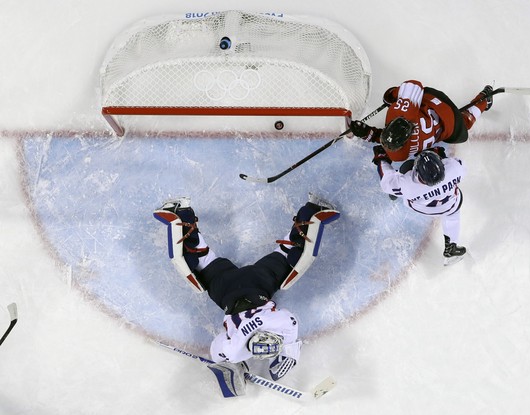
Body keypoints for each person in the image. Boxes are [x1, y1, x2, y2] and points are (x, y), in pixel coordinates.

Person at [153, 194, 340, 397]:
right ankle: (312, 210)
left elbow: (217, 350)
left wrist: (230, 368)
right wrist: (288, 354)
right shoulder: (278, 328)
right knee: (291, 255)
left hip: (225, 290)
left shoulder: (237, 349)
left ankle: (181, 213)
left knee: (196, 259)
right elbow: (283, 322)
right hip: (259, 283)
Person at [349, 79, 493, 162]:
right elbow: (413, 85)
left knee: (463, 125)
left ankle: (484, 100)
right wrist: (392, 94)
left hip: (449, 125)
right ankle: (484, 100)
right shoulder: (401, 112)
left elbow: (383, 140)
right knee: (457, 122)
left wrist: (367, 133)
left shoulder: (398, 155)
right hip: (438, 103)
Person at [371, 144, 467, 265]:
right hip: (451, 204)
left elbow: (386, 182)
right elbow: (459, 165)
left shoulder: (408, 185)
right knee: (452, 214)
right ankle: (451, 245)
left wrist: (382, 159)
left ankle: (396, 192)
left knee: (405, 168)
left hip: (422, 207)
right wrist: (439, 154)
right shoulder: (455, 168)